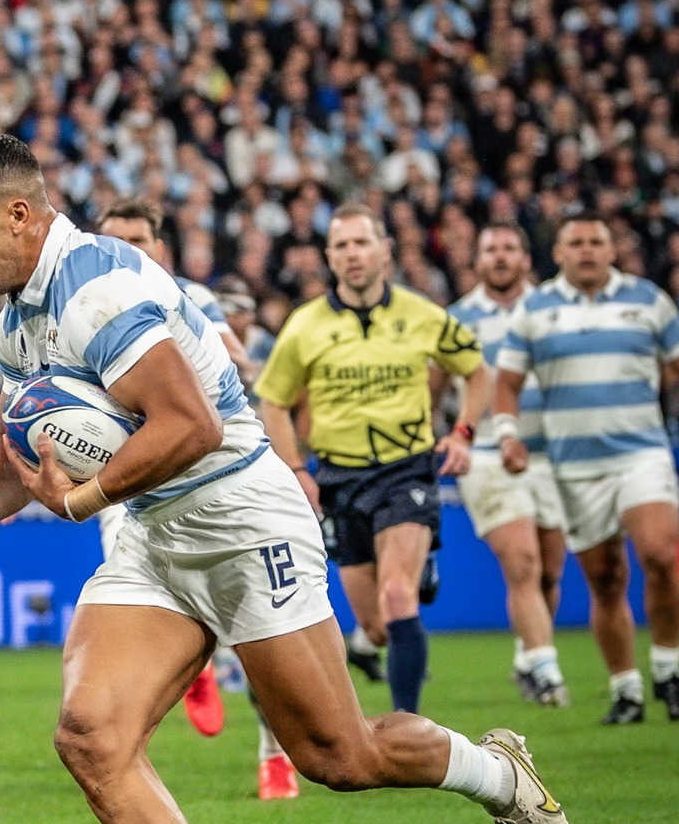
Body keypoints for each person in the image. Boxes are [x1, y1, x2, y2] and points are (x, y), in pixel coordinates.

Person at [0, 134, 570, 824]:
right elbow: (18, 446)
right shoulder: (18, 319)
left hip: (241, 517)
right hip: (156, 534)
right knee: (90, 735)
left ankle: (501, 775)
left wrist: (82, 501)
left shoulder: (97, 286)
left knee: (338, 756)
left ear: (18, 213)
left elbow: (186, 424)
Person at [254, 202, 489, 716]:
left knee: (397, 597)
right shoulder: (305, 325)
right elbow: (273, 401)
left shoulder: (421, 313)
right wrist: (297, 470)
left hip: (407, 467)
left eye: (362, 243)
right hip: (340, 477)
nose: (352, 254)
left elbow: (477, 370)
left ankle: (409, 724)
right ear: (328, 257)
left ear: (385, 251)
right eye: (341, 245)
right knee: (379, 628)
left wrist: (463, 434)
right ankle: (420, 569)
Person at [95, 197, 295, 797]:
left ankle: (274, 753)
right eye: (115, 240)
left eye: (140, 239)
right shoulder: (84, 305)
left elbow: (237, 362)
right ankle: (196, 667)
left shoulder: (189, 299)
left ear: (161, 248)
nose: (129, 251)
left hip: (210, 475)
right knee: (144, 585)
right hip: (128, 484)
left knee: (261, 629)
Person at [493, 217, 679, 724]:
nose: (587, 250)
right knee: (606, 578)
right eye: (576, 242)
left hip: (641, 453)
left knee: (663, 555)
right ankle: (627, 689)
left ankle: (669, 667)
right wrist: (508, 433)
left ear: (612, 247)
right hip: (575, 466)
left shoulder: (649, 301)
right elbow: (506, 382)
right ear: (558, 252)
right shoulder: (535, 309)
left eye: (597, 241)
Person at [448, 224, 569, 708]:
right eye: (490, 249)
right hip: (487, 456)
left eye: (509, 249)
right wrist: (450, 434)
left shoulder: (552, 310)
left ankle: (526, 654)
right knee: (522, 561)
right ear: (476, 260)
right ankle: (546, 671)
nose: (500, 257)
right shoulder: (458, 319)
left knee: (548, 574)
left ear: (526, 257)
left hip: (552, 455)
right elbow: (433, 385)